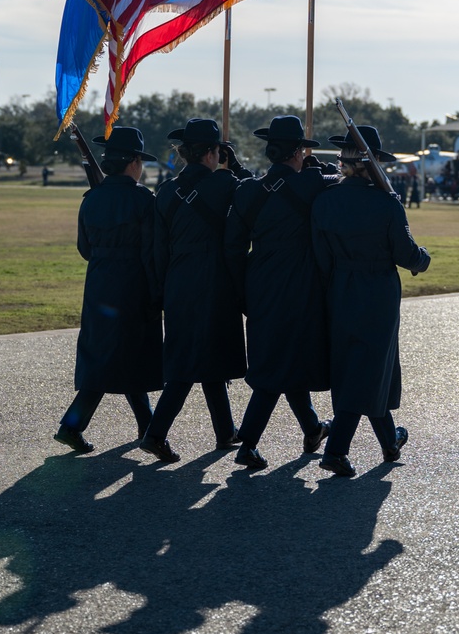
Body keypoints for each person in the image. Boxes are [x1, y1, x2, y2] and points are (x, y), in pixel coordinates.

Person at [311, 125, 431, 478]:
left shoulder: (325, 200)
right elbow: (407, 254)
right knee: (370, 365)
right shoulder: (385, 203)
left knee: (360, 365)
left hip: (339, 288)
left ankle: (389, 442)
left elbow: (321, 256)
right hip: (376, 290)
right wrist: (424, 259)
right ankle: (336, 449)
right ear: (372, 163)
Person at [225, 115, 335, 471]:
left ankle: (312, 427)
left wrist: (243, 290)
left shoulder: (248, 190)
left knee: (283, 357)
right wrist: (318, 168)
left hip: (259, 281)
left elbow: (233, 248)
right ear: (299, 151)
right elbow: (346, 177)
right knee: (278, 364)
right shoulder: (314, 184)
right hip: (300, 283)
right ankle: (250, 442)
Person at [139, 118, 247, 463]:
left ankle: (225, 430)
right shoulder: (226, 184)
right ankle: (155, 433)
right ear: (214, 152)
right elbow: (254, 194)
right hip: (214, 277)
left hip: (178, 279)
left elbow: (157, 248)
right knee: (192, 361)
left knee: (201, 353)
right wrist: (236, 166)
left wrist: (160, 288)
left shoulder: (168, 190)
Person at [54, 127, 162, 454]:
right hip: (133, 284)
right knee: (132, 354)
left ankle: (147, 425)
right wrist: (158, 291)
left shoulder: (91, 199)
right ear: (132, 163)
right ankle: (73, 425)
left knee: (110, 354)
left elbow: (84, 248)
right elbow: (151, 252)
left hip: (99, 281)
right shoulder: (144, 199)